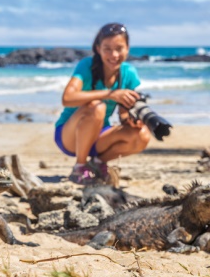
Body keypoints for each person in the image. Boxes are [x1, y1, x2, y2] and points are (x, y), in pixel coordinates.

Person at [54, 23, 151, 184]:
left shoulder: (128, 74)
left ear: (127, 48)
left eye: (119, 48)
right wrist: (111, 94)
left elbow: (123, 115)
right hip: (69, 135)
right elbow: (67, 98)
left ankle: (98, 163)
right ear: (98, 49)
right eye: (107, 48)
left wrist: (132, 121)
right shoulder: (87, 65)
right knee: (98, 107)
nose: (113, 55)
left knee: (142, 135)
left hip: (99, 136)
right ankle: (79, 167)